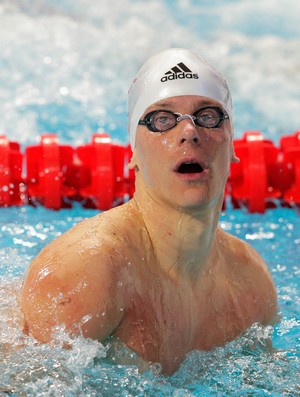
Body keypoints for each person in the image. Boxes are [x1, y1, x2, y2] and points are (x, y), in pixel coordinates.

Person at [20, 48, 278, 375]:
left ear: (232, 145)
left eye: (208, 116)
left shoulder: (251, 282)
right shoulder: (85, 273)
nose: (189, 132)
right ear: (133, 153)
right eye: (162, 120)